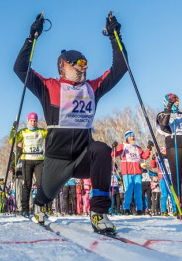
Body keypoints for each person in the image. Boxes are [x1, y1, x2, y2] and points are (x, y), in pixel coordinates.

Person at [13, 13, 127, 234]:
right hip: (57, 159)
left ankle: (98, 213)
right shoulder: (48, 87)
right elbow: (20, 69)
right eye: (80, 63)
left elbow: (120, 69)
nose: (85, 67)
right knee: (45, 196)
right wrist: (31, 38)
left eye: (86, 63)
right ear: (63, 65)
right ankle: (39, 206)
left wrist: (115, 36)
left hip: (83, 156)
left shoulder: (92, 88)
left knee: (102, 150)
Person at [10, 112, 47, 219]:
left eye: (35, 121)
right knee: (27, 185)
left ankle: (41, 208)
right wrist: (13, 129)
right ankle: (25, 209)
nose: (33, 123)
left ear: (37, 121)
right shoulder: (23, 132)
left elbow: (51, 134)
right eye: (31, 121)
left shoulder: (41, 131)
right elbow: (12, 140)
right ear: (28, 121)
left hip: (39, 160)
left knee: (40, 185)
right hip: (27, 160)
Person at [156, 93, 182, 219]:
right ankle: (180, 208)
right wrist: (169, 106)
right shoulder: (162, 114)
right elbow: (164, 126)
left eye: (178, 100)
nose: (177, 103)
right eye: (174, 101)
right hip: (174, 149)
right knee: (177, 180)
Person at [111, 132, 152, 215]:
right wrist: (114, 148)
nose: (133, 138)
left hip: (137, 173)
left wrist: (148, 149)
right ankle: (126, 208)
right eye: (131, 136)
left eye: (133, 136)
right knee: (128, 191)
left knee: (138, 191)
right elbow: (113, 154)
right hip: (127, 172)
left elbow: (144, 156)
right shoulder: (123, 146)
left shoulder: (137, 147)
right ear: (127, 138)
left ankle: (139, 209)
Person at [151, 147, 177, 216]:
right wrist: (153, 158)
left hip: (171, 176)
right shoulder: (160, 159)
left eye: (165, 151)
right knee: (164, 194)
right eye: (163, 151)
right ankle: (164, 210)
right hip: (163, 177)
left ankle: (175, 210)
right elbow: (153, 165)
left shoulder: (171, 158)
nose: (165, 152)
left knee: (172, 194)